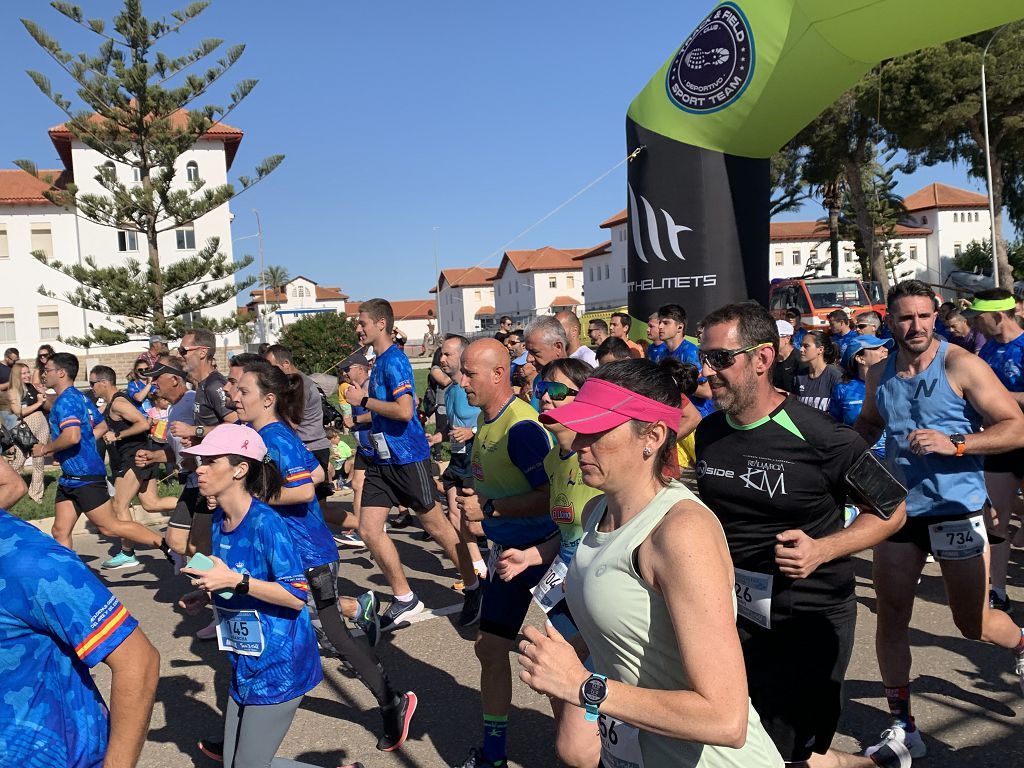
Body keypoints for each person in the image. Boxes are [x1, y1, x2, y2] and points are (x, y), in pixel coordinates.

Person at [523, 358, 785, 768]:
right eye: (579, 428)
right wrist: (567, 649)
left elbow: (725, 719)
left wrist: (584, 686)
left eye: (597, 431)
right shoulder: (596, 510)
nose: (577, 444)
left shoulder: (679, 533)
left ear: (653, 435)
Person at [694, 302, 909, 768]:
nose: (707, 371)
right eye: (704, 357)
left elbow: (892, 510)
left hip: (806, 616)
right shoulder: (709, 433)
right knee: (743, 745)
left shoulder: (825, 438)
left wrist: (824, 549)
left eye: (719, 359)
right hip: (731, 614)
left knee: (787, 755)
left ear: (762, 359)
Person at [854, 280, 1024, 757]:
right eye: (906, 317)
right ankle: (903, 725)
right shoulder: (880, 372)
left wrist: (959, 444)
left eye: (924, 316)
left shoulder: (961, 364)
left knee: (973, 624)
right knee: (890, 615)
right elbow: (870, 423)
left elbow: (1016, 427)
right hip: (901, 512)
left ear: (936, 317)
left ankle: (1021, 645)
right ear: (890, 320)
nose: (916, 326)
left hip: (955, 511)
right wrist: (845, 453)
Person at [232, 364, 417, 753]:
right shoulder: (265, 435)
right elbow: (316, 470)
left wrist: (251, 499)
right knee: (274, 639)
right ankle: (242, 735)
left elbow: (304, 488)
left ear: (268, 399)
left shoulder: (276, 438)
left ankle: (392, 701)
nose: (235, 396)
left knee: (331, 637)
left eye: (243, 390)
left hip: (309, 555)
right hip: (288, 555)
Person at [178, 425, 362, 768]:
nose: (199, 468)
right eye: (200, 460)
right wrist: (207, 593)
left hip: (281, 662)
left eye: (210, 461)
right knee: (235, 764)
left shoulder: (266, 523)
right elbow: (237, 578)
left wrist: (234, 579)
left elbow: (295, 595)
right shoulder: (220, 519)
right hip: (244, 660)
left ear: (239, 469)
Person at [0, 453, 160, 768]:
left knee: (111, 524)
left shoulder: (30, 563)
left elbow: (138, 661)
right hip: (74, 480)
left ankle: (167, 546)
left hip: (55, 755)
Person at [453, 338, 556, 768]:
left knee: (567, 661)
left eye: (469, 373)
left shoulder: (523, 428)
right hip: (507, 553)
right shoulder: (485, 417)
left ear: (499, 374)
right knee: (490, 647)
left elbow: (553, 495)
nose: (461, 382)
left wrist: (491, 507)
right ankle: (494, 753)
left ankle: (589, 749)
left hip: (546, 554)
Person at [495, 356, 603, 767]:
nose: (545, 398)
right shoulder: (555, 460)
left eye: (557, 391)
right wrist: (530, 555)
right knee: (555, 681)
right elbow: (568, 535)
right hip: (566, 581)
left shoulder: (597, 456)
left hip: (599, 582)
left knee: (573, 679)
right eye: (541, 389)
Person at [343, 298, 474, 631]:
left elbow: (404, 410)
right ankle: (405, 598)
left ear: (381, 324)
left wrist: (363, 401)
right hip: (379, 459)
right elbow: (385, 409)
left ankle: (475, 586)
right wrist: (361, 416)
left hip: (407, 456)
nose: (359, 329)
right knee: (368, 530)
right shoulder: (378, 363)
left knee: (436, 526)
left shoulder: (396, 361)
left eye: (362, 323)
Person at [33, 352, 171, 558]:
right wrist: (87, 440)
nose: (44, 374)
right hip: (70, 477)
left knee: (109, 527)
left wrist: (45, 449)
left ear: (61, 373)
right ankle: (70, 580)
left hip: (85, 477)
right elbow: (101, 424)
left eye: (47, 370)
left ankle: (166, 546)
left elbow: (71, 436)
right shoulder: (79, 397)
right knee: (60, 531)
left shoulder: (66, 401)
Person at [961, 288, 1024, 614]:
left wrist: (998, 399)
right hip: (999, 443)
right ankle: (997, 589)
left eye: (979, 318)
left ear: (999, 315)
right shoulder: (985, 355)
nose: (975, 325)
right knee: (996, 519)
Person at [173, 327, 239, 557]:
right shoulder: (201, 386)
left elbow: (235, 425)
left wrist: (195, 430)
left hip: (222, 473)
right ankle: (215, 587)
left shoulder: (215, 385)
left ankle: (221, 587)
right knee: (183, 542)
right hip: (203, 471)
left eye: (184, 350)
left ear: (202, 352)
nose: (180, 354)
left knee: (201, 545)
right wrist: (197, 439)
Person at [433, 335, 487, 608]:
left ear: (463, 357)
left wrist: (472, 432)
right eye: (441, 354)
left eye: (448, 354)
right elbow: (452, 424)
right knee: (454, 515)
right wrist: (437, 436)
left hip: (475, 458)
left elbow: (491, 418)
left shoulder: (474, 386)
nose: (442, 359)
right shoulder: (451, 390)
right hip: (456, 457)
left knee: (474, 515)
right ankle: (477, 565)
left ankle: (492, 559)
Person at [89, 365, 160, 570]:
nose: (92, 387)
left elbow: (142, 424)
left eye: (93, 383)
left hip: (133, 456)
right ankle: (192, 508)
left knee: (119, 504)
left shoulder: (118, 403)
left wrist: (118, 436)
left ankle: (128, 553)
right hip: (136, 455)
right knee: (151, 503)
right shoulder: (112, 403)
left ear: (104, 383)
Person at [135, 357, 202, 561]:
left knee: (186, 540)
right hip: (191, 481)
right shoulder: (173, 409)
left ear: (174, 379)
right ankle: (215, 575)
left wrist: (197, 454)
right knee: (176, 540)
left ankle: (219, 581)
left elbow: (217, 432)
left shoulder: (193, 400)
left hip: (206, 481)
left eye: (157, 378)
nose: (153, 383)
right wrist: (153, 457)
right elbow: (176, 452)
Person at [264, 344, 334, 501]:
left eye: (272, 367)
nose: (269, 372)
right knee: (314, 509)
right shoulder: (293, 383)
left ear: (286, 364)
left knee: (315, 509)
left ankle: (364, 525)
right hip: (307, 448)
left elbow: (292, 423)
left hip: (312, 449)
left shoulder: (300, 386)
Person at [829, 336, 893, 458]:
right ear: (860, 358)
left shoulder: (895, 382)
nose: (885, 350)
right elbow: (834, 427)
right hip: (862, 461)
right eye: (876, 348)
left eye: (885, 346)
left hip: (896, 462)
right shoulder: (843, 389)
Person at [8, 360, 48, 501]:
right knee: (18, 461)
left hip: (41, 424)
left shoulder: (33, 387)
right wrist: (38, 403)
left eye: (27, 372)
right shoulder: (13, 390)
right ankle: (8, 488)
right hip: (25, 427)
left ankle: (36, 493)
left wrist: (44, 395)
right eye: (23, 373)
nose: (27, 375)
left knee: (39, 460)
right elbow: (18, 412)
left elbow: (46, 403)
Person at [524, 315, 570, 409]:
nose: (528, 359)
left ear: (558, 347)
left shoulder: (579, 379)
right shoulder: (539, 379)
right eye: (528, 351)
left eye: (535, 352)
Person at [796, 330, 843, 412]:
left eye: (806, 346)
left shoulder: (836, 376)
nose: (801, 349)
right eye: (801, 346)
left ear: (820, 349)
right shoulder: (799, 376)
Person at [771, 320, 801, 394]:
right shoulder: (770, 359)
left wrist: (778, 393)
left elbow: (802, 394)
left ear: (787, 339)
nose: (772, 341)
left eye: (775, 337)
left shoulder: (799, 360)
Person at [0, 347, 20, 429]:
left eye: (16, 359)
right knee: (10, 427)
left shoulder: (14, 366)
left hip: (17, 400)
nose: (15, 362)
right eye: (13, 360)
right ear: (6, 358)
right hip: (5, 403)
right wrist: (12, 383)